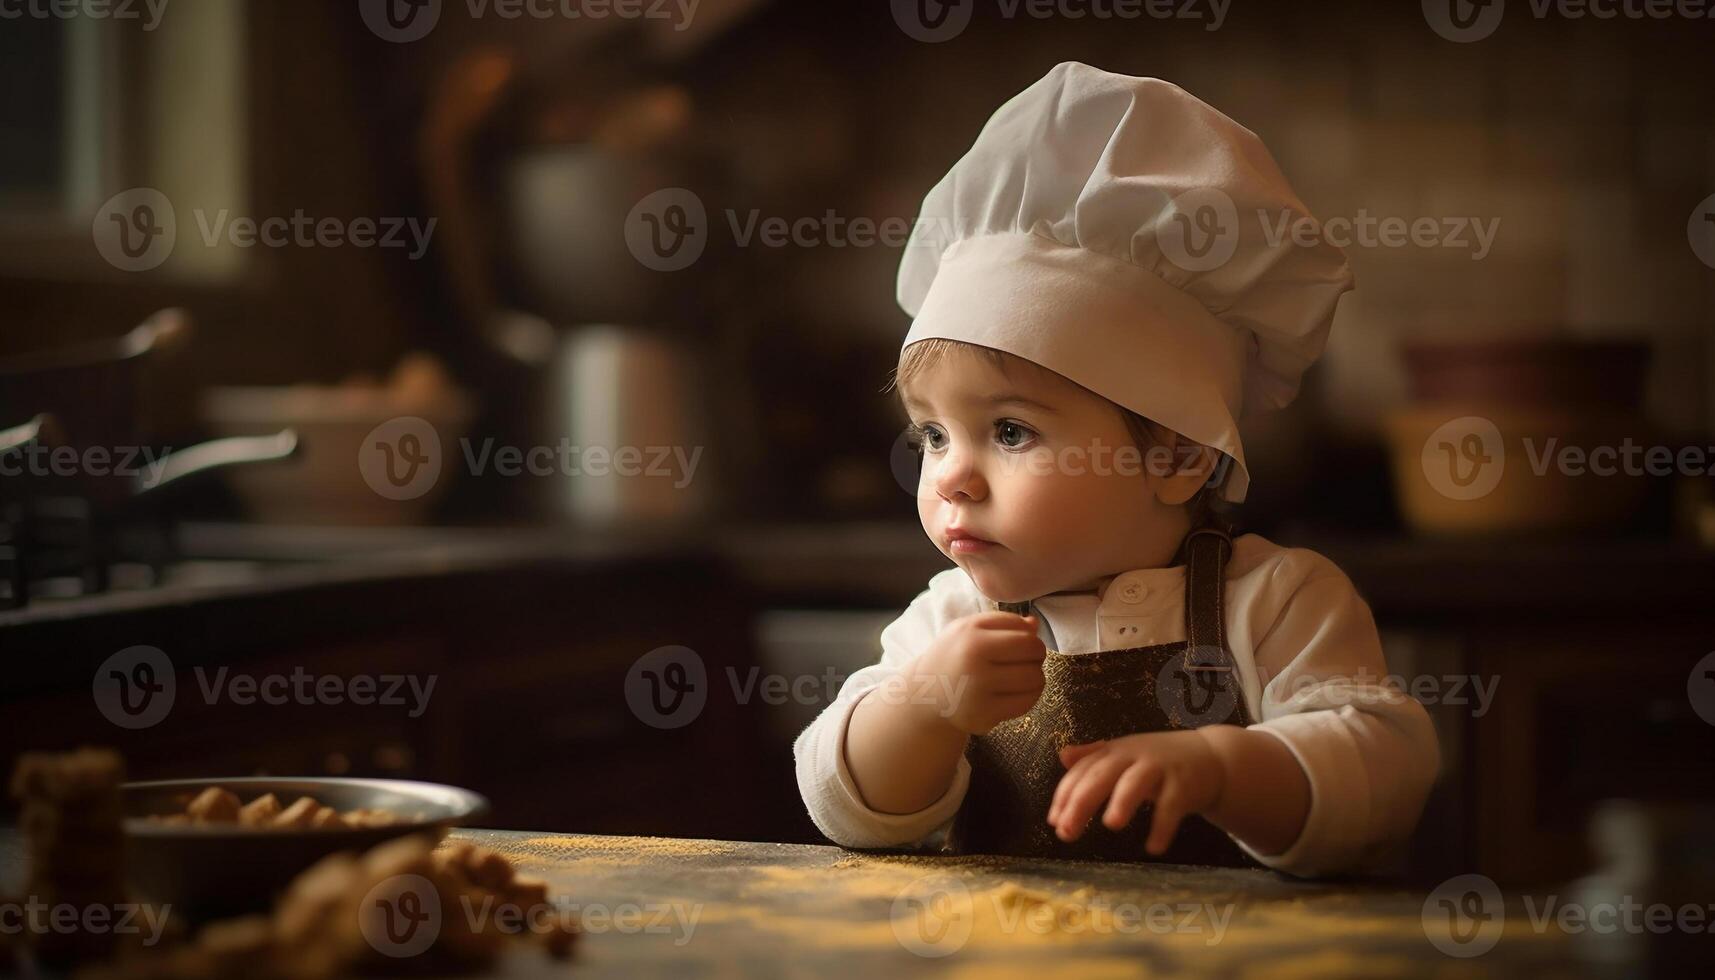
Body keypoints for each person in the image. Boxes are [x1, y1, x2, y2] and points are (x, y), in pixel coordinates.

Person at [793, 63, 1439, 877]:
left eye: (1010, 430)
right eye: (931, 436)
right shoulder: (951, 618)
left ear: (1175, 454)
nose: (951, 476)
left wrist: (1223, 769)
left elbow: (1384, 778)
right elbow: (845, 809)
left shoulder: (1276, 604)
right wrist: (920, 706)